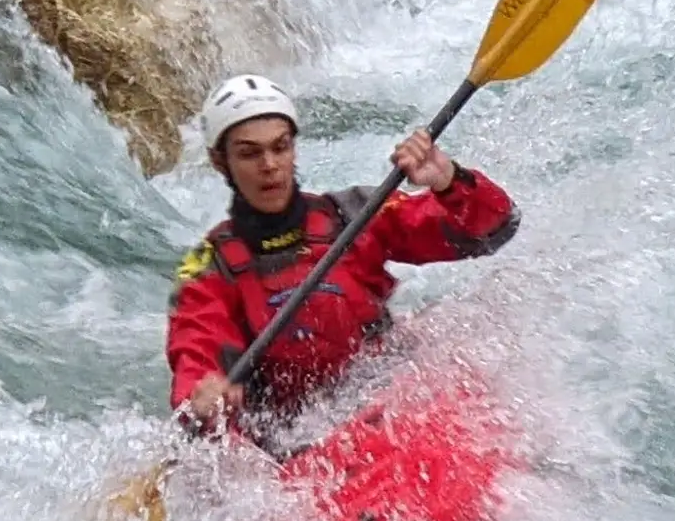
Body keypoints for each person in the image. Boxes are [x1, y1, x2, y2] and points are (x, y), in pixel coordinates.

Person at [168, 74, 519, 428]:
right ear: (219, 161)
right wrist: (201, 398)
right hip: (296, 439)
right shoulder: (210, 270)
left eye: (280, 146)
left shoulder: (352, 215)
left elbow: (496, 227)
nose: (270, 165)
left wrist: (448, 180)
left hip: (390, 402)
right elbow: (196, 356)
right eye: (249, 153)